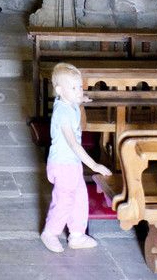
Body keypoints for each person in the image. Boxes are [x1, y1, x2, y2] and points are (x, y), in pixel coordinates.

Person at [40, 62, 112, 253]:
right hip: (63, 164)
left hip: (71, 163)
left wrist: (80, 100)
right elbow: (73, 144)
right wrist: (94, 165)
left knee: (79, 198)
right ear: (59, 90)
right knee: (64, 201)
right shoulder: (62, 112)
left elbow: (73, 100)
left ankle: (77, 235)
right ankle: (50, 233)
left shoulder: (68, 102)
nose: (79, 91)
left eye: (80, 87)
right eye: (73, 88)